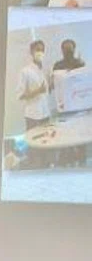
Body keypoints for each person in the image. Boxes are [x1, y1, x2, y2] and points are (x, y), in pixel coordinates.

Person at [52, 39, 89, 167]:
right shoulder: (57, 66)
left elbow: (86, 84)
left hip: (79, 108)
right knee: (67, 136)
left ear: (74, 49)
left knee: (81, 136)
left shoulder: (80, 63)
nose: (68, 51)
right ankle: (69, 161)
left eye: (70, 48)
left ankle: (82, 161)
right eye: (66, 48)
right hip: (65, 108)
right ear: (62, 50)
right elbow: (55, 86)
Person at [18, 40, 54, 167]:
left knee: (47, 144)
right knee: (34, 148)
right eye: (37, 49)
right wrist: (38, 91)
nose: (40, 52)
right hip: (33, 116)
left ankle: (47, 168)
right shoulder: (25, 71)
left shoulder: (46, 70)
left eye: (42, 50)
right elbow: (20, 95)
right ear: (31, 52)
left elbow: (47, 92)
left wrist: (52, 84)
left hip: (45, 114)